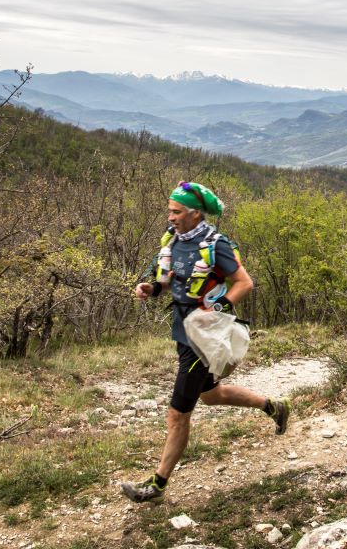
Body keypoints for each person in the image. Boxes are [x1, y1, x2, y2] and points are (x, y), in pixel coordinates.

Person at [121, 181, 289, 504]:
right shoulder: (172, 241)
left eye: (176, 211)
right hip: (183, 332)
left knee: (177, 414)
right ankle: (274, 407)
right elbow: (167, 281)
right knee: (211, 395)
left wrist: (219, 308)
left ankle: (157, 485)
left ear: (195, 213)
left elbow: (244, 283)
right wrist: (151, 289)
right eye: (169, 210)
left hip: (204, 338)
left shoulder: (216, 245)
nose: (170, 217)